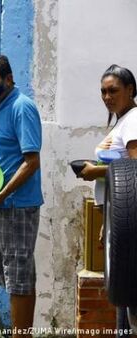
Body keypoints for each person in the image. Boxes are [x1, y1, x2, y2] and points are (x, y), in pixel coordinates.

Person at [0, 54, 42, 337]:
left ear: (9, 79)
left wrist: (1, 194)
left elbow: (31, 160)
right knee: (12, 277)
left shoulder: (21, 107)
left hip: (16, 206)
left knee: (19, 279)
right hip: (0, 204)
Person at [77, 64, 137, 336]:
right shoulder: (122, 121)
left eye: (113, 90)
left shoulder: (134, 118)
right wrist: (108, 221)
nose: (107, 97)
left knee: (130, 295)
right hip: (120, 218)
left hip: (131, 221)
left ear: (130, 90)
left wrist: (94, 171)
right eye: (103, 91)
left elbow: (135, 166)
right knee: (123, 298)